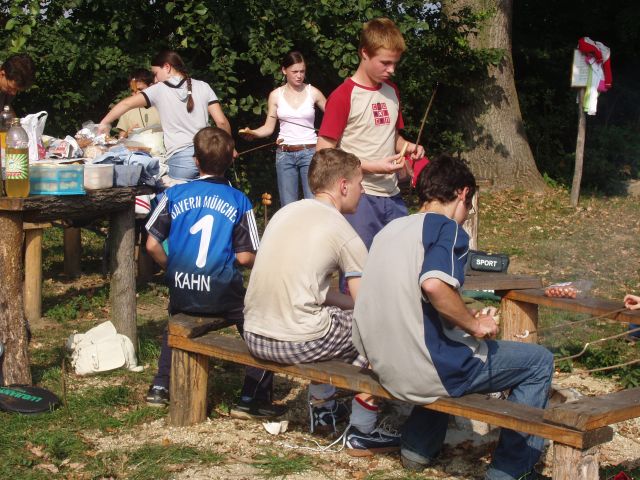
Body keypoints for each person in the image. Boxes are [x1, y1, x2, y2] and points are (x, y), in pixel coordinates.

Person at [352, 154, 555, 479]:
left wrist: (464, 316)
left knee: (447, 349)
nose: (468, 214)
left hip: (385, 366)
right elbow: (433, 285)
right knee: (538, 362)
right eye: (469, 205)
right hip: (424, 371)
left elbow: (413, 303)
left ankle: (417, 450)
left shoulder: (390, 230)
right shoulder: (446, 228)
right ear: (462, 193)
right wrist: (475, 325)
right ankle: (510, 472)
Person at [243, 148, 401, 455]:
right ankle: (363, 427)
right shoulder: (342, 230)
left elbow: (307, 289)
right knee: (382, 327)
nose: (362, 191)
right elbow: (368, 308)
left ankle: (324, 409)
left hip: (254, 335)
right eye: (360, 184)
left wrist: (345, 304)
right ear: (343, 185)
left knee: (327, 316)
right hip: (295, 340)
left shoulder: (284, 213)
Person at [144, 126, 285, 420]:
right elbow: (245, 257)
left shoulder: (174, 195)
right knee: (260, 326)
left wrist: (171, 268)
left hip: (183, 290)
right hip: (222, 292)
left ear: (196, 160)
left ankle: (160, 386)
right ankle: (252, 397)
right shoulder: (239, 200)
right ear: (231, 159)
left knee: (175, 319)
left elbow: (152, 244)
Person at [316, 18, 424, 249]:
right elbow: (323, 154)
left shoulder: (392, 91)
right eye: (385, 63)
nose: (391, 70)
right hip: (358, 199)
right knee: (361, 266)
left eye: (395, 63)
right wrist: (372, 167)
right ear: (364, 53)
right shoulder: (343, 96)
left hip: (392, 196)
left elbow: (392, 137)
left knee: (399, 261)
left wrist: (410, 147)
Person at [100, 50, 232, 182]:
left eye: (156, 74)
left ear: (167, 67)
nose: (155, 79)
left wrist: (105, 122)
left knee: (178, 193)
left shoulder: (159, 89)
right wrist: (229, 149)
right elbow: (221, 122)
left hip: (181, 160)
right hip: (209, 155)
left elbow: (127, 104)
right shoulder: (204, 86)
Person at [240, 51, 326, 206]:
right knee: (288, 206)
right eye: (295, 72)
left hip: (310, 153)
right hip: (284, 155)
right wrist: (254, 133)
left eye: (302, 71)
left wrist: (326, 138)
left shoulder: (313, 92)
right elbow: (268, 128)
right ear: (284, 70)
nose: (299, 76)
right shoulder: (275, 95)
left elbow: (333, 117)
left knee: (314, 204)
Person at [115, 69, 161, 138]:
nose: (136, 94)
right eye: (133, 91)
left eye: (140, 89)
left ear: (151, 87)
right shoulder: (127, 110)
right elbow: (121, 139)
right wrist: (127, 134)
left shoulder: (162, 106)